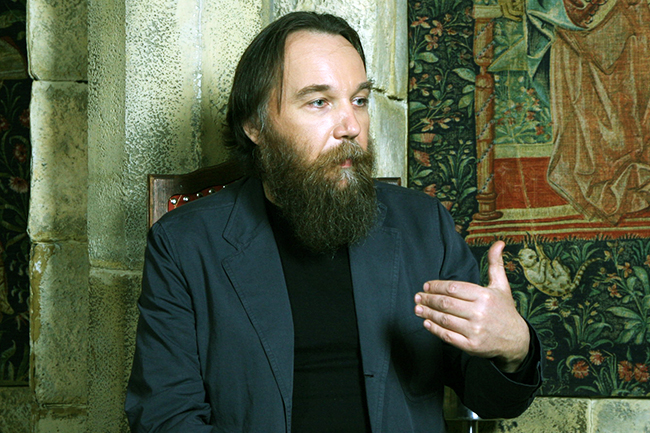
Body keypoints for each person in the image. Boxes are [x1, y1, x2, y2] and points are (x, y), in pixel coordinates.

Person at [125, 11, 541, 432]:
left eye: (359, 100)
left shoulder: (423, 224)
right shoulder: (184, 244)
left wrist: (515, 347)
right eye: (319, 102)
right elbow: (165, 417)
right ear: (255, 125)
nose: (351, 127)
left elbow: (489, 398)